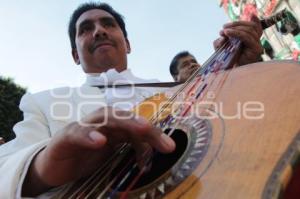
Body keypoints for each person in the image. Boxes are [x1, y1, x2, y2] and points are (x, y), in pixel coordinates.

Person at [0, 2, 263, 198]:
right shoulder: (43, 103)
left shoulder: (182, 91)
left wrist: (243, 74)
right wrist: (44, 164)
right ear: (75, 56)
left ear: (127, 44)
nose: (99, 31)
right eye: (86, 29)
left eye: (108, 24)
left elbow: (242, 131)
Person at [169, 17, 264, 82]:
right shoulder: (170, 104)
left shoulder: (218, 80)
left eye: (194, 61)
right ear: (176, 77)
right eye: (185, 65)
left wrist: (243, 66)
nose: (193, 65)